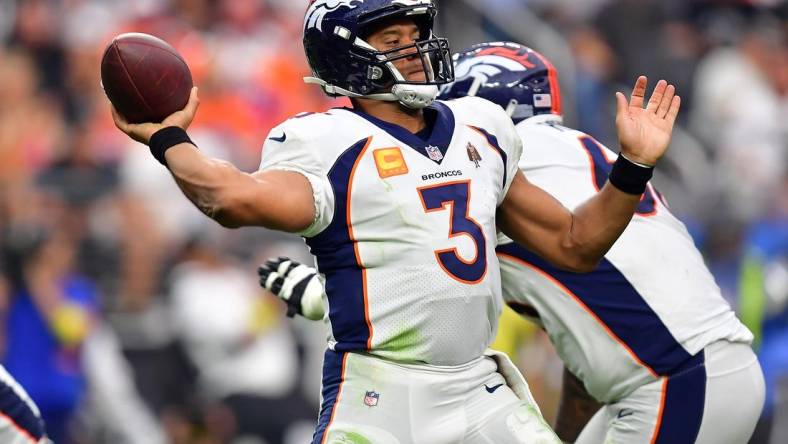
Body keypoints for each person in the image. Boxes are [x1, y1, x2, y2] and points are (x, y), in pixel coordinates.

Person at [109, 0, 680, 442]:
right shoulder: (325, 141)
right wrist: (167, 137)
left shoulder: (480, 126)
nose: (415, 50)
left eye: (415, 37)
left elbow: (576, 244)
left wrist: (632, 168)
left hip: (476, 384)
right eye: (393, 41)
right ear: (349, 58)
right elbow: (230, 200)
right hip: (382, 391)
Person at [258, 41, 763, 444]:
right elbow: (592, 343)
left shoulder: (486, 163)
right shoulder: (580, 151)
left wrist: (318, 297)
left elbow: (417, 290)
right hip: (695, 373)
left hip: (674, 381)